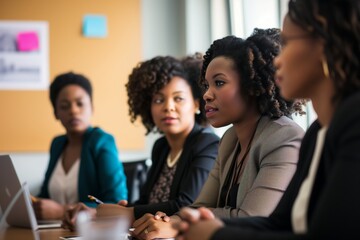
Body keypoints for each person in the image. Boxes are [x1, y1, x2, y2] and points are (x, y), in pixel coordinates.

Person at [175, 0, 360, 239]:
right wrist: (196, 224)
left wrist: (214, 234)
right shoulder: (317, 132)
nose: (278, 60)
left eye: (289, 42)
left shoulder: (353, 121)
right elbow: (279, 223)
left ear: (324, 43)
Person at [131, 29, 305, 240]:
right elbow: (200, 206)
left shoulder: (284, 137)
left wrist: (179, 225)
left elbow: (252, 218)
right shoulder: (230, 139)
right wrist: (168, 221)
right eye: (206, 85)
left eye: (219, 83)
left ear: (252, 85)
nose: (206, 94)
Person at [62, 55, 220, 230]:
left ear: (197, 104)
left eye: (178, 98)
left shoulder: (207, 144)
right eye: (159, 100)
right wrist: (115, 210)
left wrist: (130, 213)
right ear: (148, 107)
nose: (168, 107)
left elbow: (187, 205)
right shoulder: (161, 147)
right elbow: (146, 201)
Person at [34, 72, 127, 220]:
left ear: (92, 107)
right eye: (64, 106)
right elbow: (45, 196)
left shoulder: (102, 141)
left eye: (80, 104)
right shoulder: (57, 144)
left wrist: (62, 211)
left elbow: (117, 202)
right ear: (56, 113)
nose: (73, 111)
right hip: (54, 231)